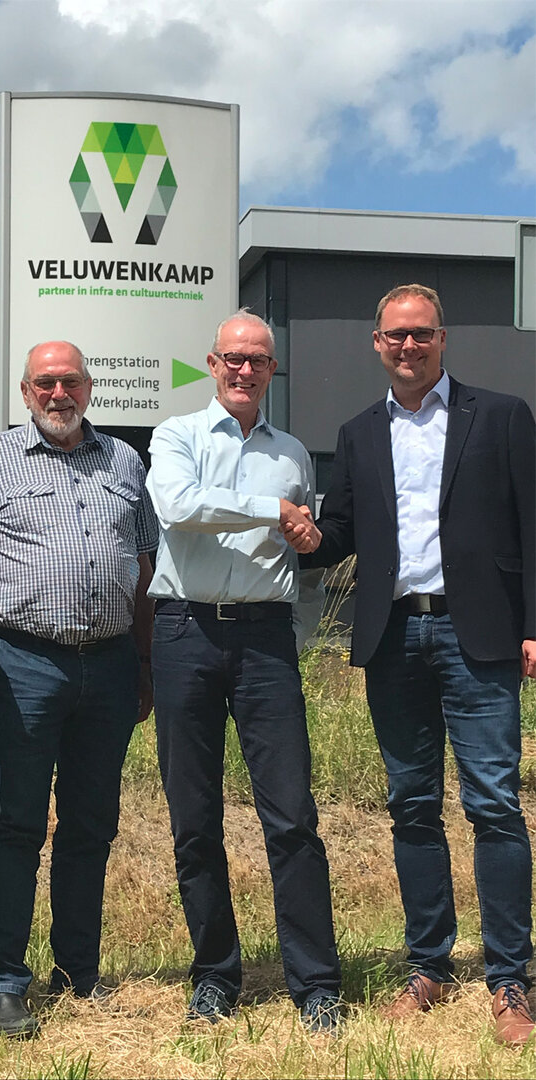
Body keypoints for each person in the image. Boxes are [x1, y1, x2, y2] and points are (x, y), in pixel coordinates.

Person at [289, 283, 536, 1046]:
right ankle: (428, 966)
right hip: (394, 637)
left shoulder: (501, 416)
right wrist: (308, 536)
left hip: (480, 634)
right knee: (412, 806)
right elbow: (340, 533)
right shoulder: (359, 433)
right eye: (395, 335)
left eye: (421, 333)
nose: (408, 345)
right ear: (376, 343)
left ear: (442, 338)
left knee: (494, 804)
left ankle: (511, 979)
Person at [0, 340, 158, 1038]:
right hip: (25, 663)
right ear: (26, 392)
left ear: (89, 387)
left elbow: (145, 565)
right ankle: (3, 982)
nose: (59, 394)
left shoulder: (124, 461)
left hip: (111, 664)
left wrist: (146, 662)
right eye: (45, 384)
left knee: (91, 824)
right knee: (17, 823)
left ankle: (78, 973)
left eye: (70, 382)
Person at [146, 310, 342, 1033]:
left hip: (265, 640)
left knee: (292, 816)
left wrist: (306, 550)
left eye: (257, 359)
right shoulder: (176, 436)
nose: (244, 369)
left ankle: (316, 983)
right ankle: (215, 977)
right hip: (185, 631)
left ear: (271, 370)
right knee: (194, 819)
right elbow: (178, 506)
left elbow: (305, 547)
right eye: (233, 357)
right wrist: (271, 509)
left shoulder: (292, 452)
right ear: (212, 363)